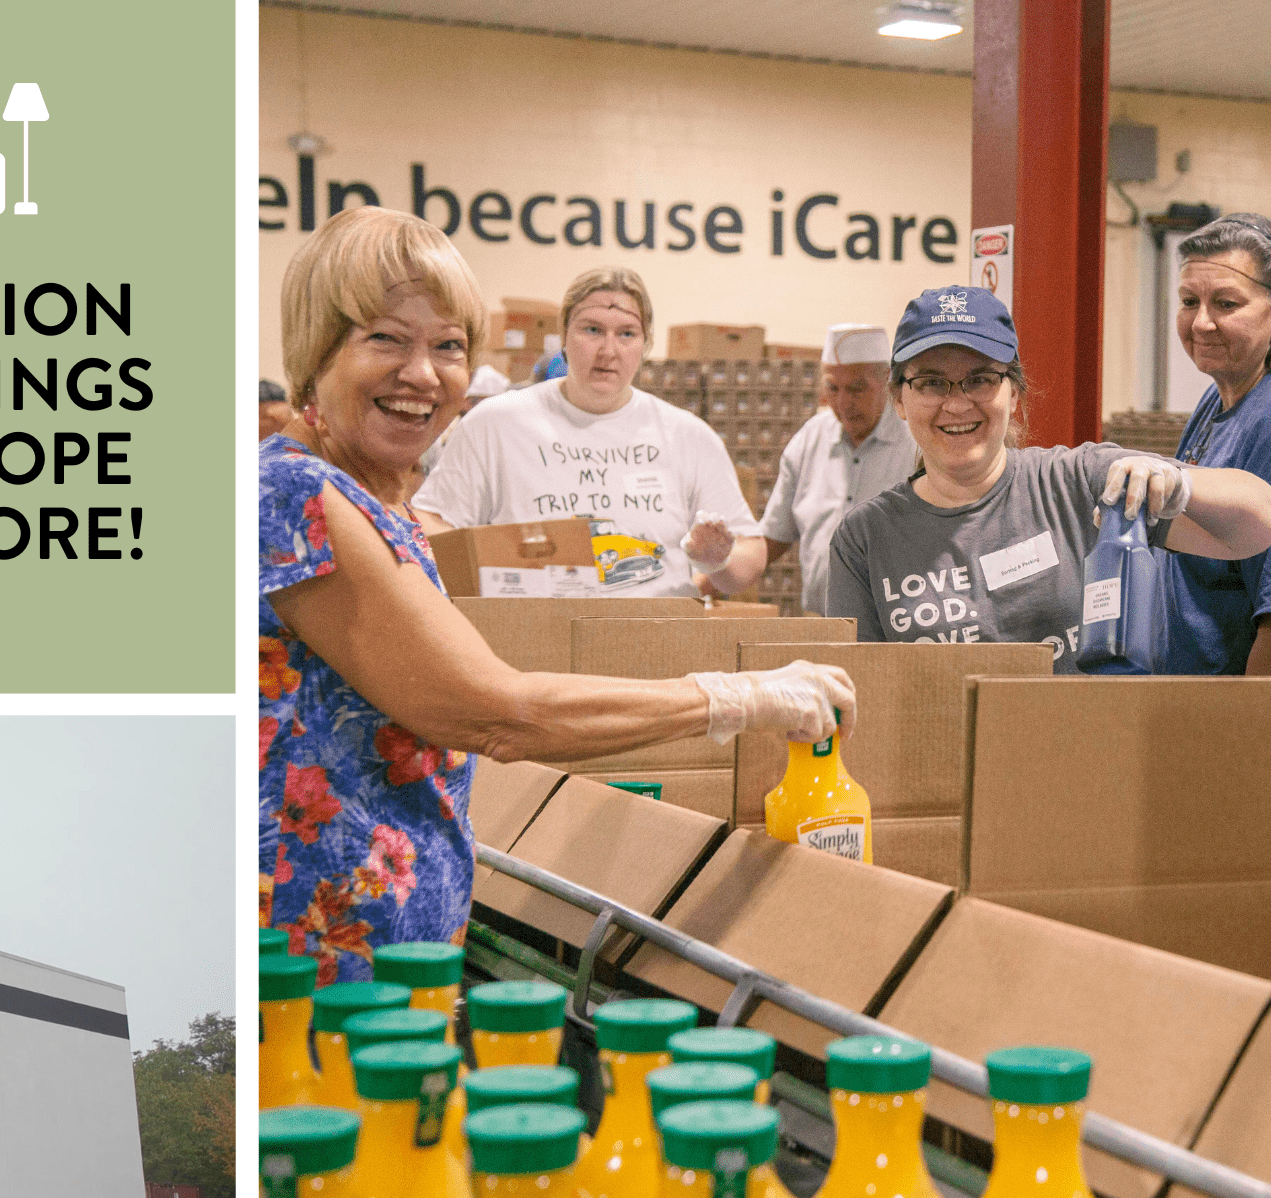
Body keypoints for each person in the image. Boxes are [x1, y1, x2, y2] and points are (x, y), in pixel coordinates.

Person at [259, 206, 856, 982]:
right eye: (386, 339)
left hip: (385, 966)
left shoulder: (369, 497)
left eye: (447, 346)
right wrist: (737, 695)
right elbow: (498, 712)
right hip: (312, 980)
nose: (424, 375)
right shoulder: (298, 496)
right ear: (317, 350)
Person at [827, 285, 1271, 671]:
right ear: (899, 400)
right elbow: (858, 691)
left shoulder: (1080, 483)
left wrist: (1179, 484)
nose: (957, 404)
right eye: (930, 382)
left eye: (980, 379)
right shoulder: (865, 538)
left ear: (1013, 393)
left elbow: (1256, 527)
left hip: (1087, 741)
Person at [415, 266, 767, 599]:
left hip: (658, 632)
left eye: (626, 334)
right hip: (533, 633)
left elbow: (751, 555)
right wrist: (494, 558)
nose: (608, 351)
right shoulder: (495, 425)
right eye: (592, 330)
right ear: (564, 338)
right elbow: (427, 524)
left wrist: (717, 559)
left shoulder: (687, 436)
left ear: (644, 344)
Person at [1164, 213, 1271, 674]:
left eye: (1226, 304)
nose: (1202, 323)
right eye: (1189, 301)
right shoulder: (1218, 399)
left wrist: (1247, 717)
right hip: (1185, 696)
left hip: (1228, 708)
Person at [758, 324, 919, 614]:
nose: (844, 402)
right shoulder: (810, 440)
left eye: (857, 388)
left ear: (888, 381)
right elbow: (772, 538)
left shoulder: (918, 444)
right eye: (833, 388)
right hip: (821, 622)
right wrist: (715, 567)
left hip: (897, 625)